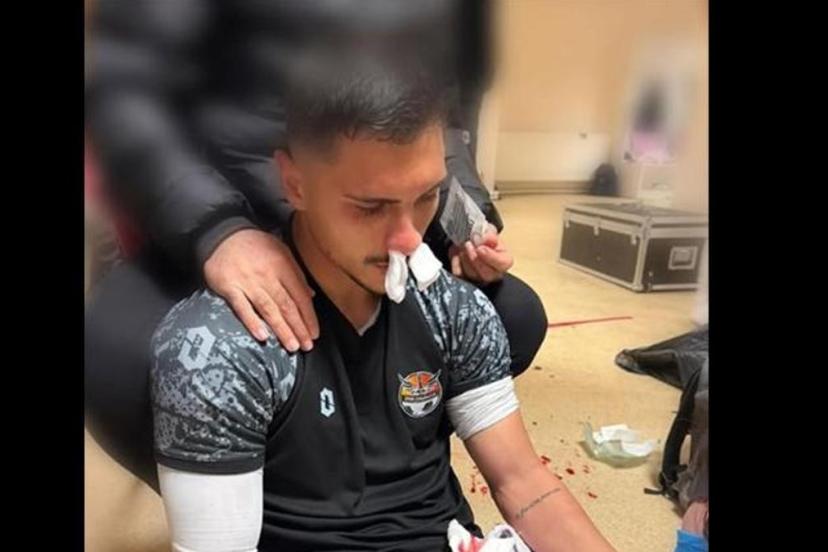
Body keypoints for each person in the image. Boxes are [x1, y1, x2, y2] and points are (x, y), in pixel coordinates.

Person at [151, 51, 614, 552]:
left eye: (426, 196)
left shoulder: (453, 309)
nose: (409, 239)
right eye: (371, 207)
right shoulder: (217, 349)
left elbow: (524, 483)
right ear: (295, 184)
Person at [85, 0, 548, 493]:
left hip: (369, 218)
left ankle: (381, 468)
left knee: (510, 317)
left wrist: (465, 222)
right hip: (225, 211)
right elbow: (125, 90)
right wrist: (217, 229)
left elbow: (436, 116)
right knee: (113, 360)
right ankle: (264, 496)